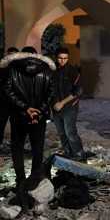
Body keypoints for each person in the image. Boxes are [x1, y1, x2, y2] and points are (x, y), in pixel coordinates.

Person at [0, 46, 55, 208]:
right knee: (37, 148)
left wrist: (25, 108)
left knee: (17, 148)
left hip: (19, 116)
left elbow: (8, 91)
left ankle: (20, 181)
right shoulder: (46, 70)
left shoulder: (13, 69)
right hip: (38, 117)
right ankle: (35, 179)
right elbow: (51, 94)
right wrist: (39, 111)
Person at [52, 47, 86, 161]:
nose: (63, 60)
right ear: (56, 58)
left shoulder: (72, 71)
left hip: (69, 107)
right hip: (55, 107)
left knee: (70, 132)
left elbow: (78, 91)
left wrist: (62, 103)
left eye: (65, 58)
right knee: (61, 133)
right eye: (60, 58)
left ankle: (79, 154)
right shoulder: (53, 71)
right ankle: (68, 153)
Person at [0, 47, 19, 145]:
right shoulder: (1, 69)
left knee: (16, 126)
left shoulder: (20, 70)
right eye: (10, 54)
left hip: (16, 104)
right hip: (3, 102)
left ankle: (15, 145)